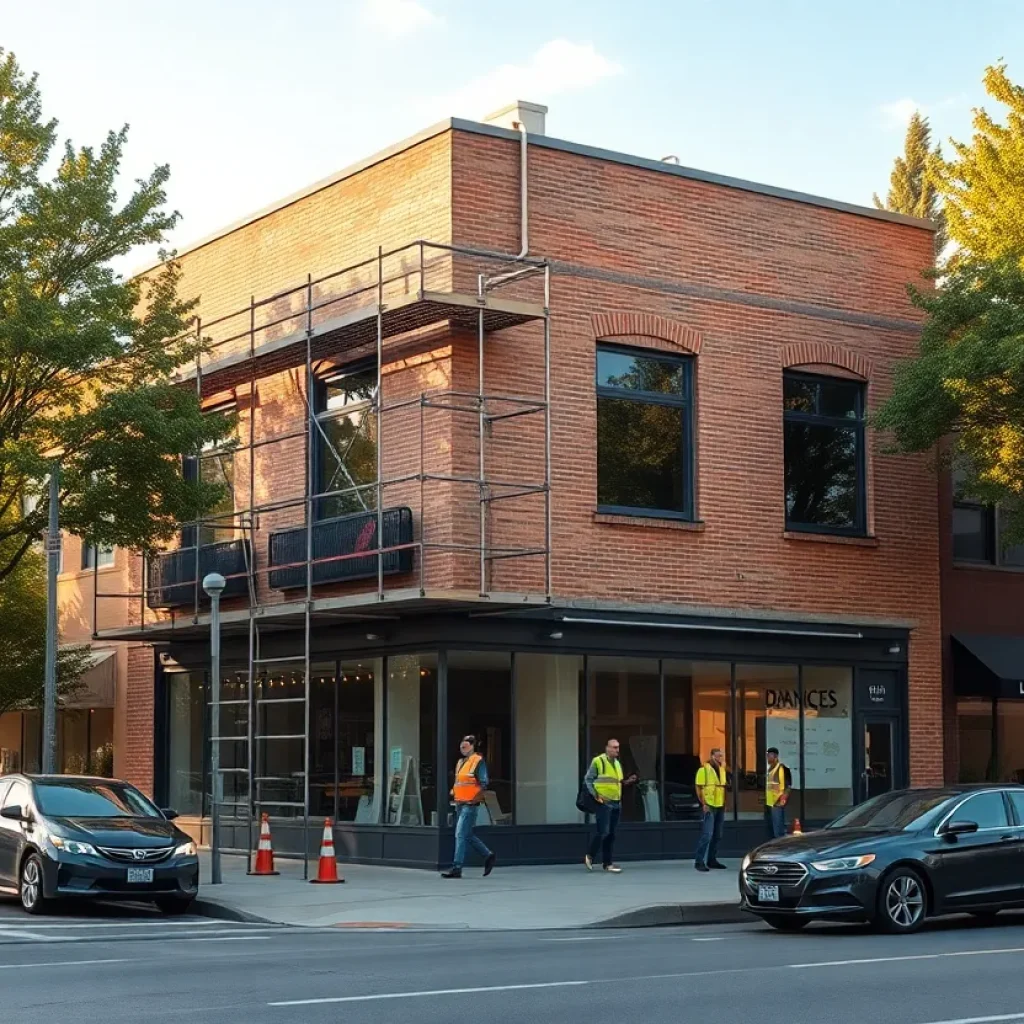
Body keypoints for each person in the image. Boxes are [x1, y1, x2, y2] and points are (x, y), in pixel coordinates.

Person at [441, 735, 496, 879]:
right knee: (467, 834)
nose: (463, 748)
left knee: (460, 834)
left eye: (465, 746)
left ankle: (457, 867)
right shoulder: (460, 762)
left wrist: (475, 799)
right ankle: (488, 855)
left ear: (472, 746)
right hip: (460, 803)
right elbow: (459, 782)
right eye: (461, 746)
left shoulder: (478, 761)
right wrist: (453, 793)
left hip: (470, 804)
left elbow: (484, 783)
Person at [584, 738, 638, 873]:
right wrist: (596, 796)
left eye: (618, 747)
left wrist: (628, 781)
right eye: (614, 747)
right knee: (603, 831)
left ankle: (607, 863)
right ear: (607, 748)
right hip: (604, 802)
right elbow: (588, 779)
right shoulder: (598, 761)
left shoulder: (618, 764)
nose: (617, 750)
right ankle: (590, 855)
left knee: (611, 834)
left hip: (616, 802)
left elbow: (617, 782)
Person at [694, 747, 727, 872]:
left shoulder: (722, 770)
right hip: (709, 805)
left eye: (721, 756)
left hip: (720, 805)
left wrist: (725, 802)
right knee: (707, 834)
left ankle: (712, 860)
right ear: (712, 756)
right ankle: (699, 861)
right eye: (717, 756)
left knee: (718, 835)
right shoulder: (703, 769)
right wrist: (703, 803)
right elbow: (698, 787)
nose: (719, 758)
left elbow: (723, 788)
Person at [765, 746, 790, 839]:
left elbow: (788, 786)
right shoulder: (770, 770)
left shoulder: (782, 768)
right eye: (767, 755)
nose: (768, 757)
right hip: (770, 803)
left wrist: (782, 800)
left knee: (778, 830)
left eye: (769, 755)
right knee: (773, 829)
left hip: (777, 803)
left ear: (775, 756)